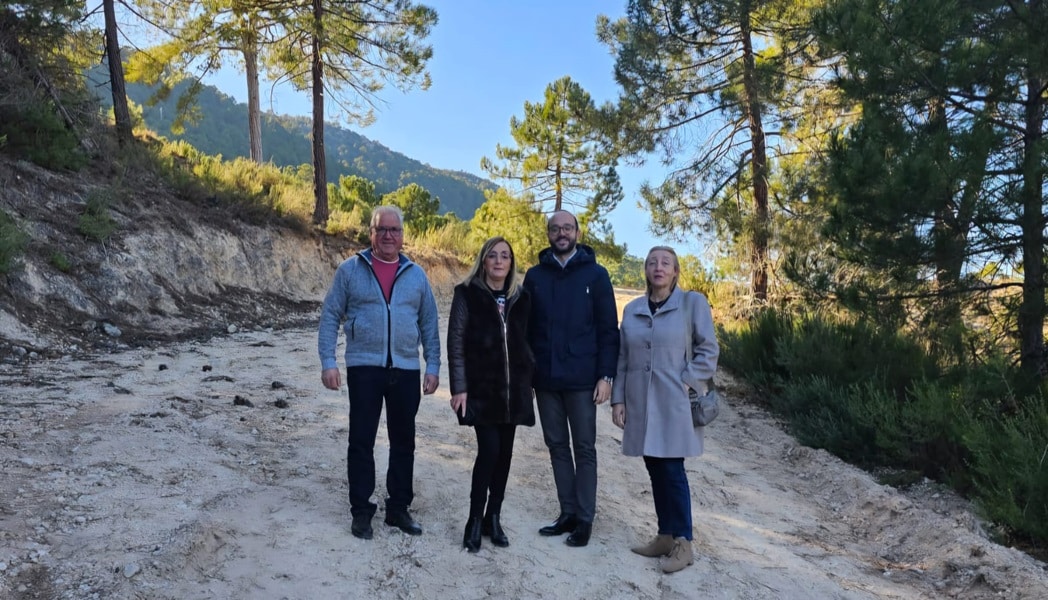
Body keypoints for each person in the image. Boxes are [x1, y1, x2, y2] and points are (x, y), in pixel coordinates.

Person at [317, 205, 441, 540]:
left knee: (404, 442)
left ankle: (398, 508)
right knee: (361, 440)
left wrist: (433, 365)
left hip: (406, 370)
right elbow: (330, 316)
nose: (388, 235)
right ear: (371, 233)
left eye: (394, 230)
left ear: (402, 235)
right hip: (364, 367)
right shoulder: (350, 270)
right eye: (381, 229)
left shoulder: (416, 275)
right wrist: (328, 361)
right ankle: (361, 511)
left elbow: (429, 323)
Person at [610, 246, 719, 573]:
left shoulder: (692, 304)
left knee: (672, 470)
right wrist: (619, 399)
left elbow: (708, 350)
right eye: (652, 262)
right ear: (645, 270)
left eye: (665, 263)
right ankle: (665, 535)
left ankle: (684, 543)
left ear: (675, 271)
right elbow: (623, 359)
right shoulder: (632, 309)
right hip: (641, 402)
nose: (658, 267)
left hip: (674, 404)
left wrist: (686, 382)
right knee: (654, 467)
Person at [523, 210, 619, 548]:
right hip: (546, 380)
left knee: (584, 448)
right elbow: (526, 331)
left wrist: (606, 376)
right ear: (548, 234)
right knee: (557, 446)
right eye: (555, 229)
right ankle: (567, 512)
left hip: (582, 380)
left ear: (577, 232)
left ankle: (585, 519)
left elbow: (608, 331)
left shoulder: (596, 275)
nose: (561, 233)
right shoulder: (535, 276)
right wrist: (527, 376)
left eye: (567, 228)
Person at [446, 236, 535, 553]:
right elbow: (456, 342)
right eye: (493, 255)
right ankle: (474, 519)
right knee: (489, 451)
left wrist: (529, 378)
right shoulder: (466, 294)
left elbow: (528, 342)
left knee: (505, 454)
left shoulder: (521, 298)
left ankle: (492, 517)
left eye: (505, 256)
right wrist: (459, 387)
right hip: (481, 391)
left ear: (511, 263)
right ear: (483, 260)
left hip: (513, 392)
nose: (499, 261)